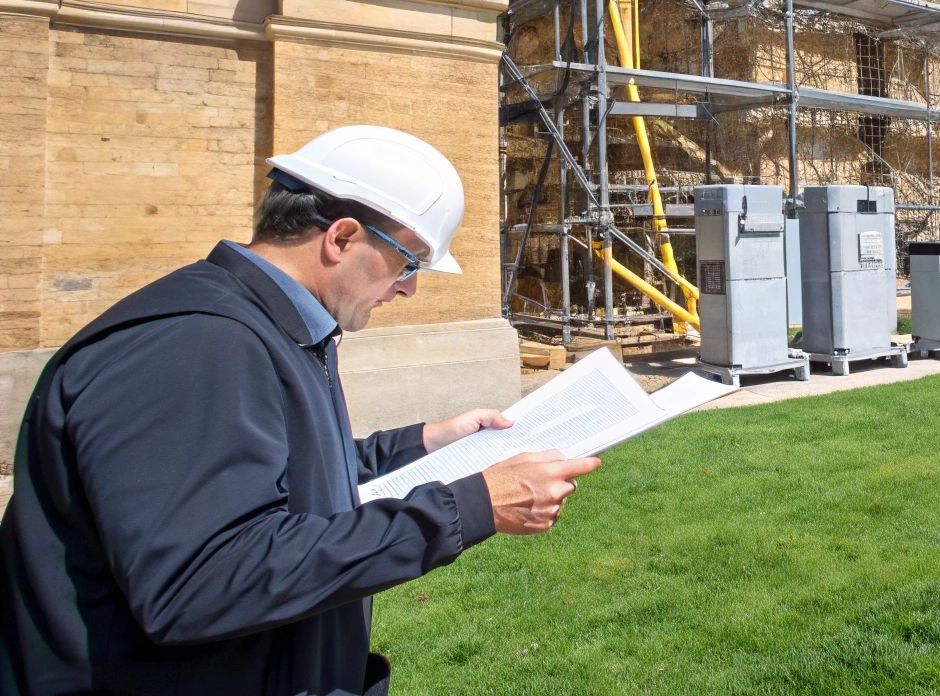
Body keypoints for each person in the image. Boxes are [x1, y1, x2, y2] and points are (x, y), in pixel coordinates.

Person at [0, 126, 600, 695]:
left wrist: (422, 442)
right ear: (340, 238)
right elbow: (201, 580)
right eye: (409, 262)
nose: (409, 288)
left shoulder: (268, 328)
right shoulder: (195, 344)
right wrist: (473, 506)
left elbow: (276, 478)